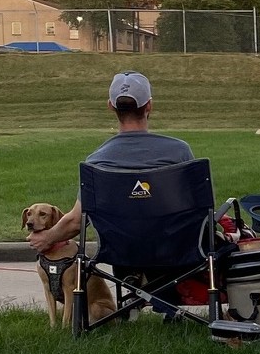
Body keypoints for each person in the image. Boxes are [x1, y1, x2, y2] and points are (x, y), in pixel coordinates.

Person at [27, 71, 194, 253]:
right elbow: (195, 209)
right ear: (149, 106)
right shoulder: (179, 152)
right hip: (174, 252)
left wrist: (47, 238)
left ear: (110, 106)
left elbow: (76, 221)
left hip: (120, 253)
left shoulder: (97, 162)